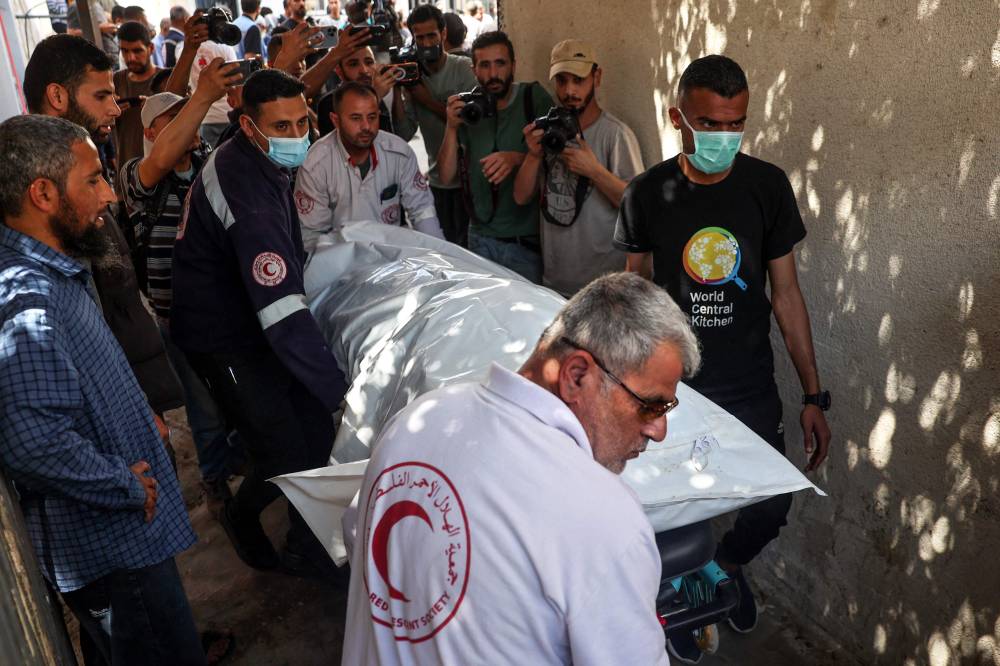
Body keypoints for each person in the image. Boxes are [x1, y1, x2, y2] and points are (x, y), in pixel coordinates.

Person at [342, 272, 696, 664]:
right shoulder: (607, 524)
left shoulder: (419, 417)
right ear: (577, 376)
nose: (658, 430)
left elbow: (357, 534)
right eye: (651, 405)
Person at [614, 54, 832, 662]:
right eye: (709, 124)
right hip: (674, 390)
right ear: (677, 116)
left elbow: (785, 296)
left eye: (736, 123)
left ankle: (726, 567)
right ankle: (673, 593)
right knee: (662, 507)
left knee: (773, 503)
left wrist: (814, 395)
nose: (723, 138)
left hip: (748, 385)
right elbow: (635, 294)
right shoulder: (647, 193)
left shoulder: (766, 187)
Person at [0, 113, 203, 666]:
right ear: (43, 193)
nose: (110, 194)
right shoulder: (26, 296)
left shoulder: (54, 272)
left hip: (124, 545)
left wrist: (141, 418)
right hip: (113, 553)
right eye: (92, 180)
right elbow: (30, 440)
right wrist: (123, 485)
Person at [170, 69, 349, 576]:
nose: (297, 137)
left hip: (251, 322)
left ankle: (306, 539)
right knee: (281, 451)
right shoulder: (247, 196)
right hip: (223, 340)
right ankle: (240, 514)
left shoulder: (251, 153)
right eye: (282, 127)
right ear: (249, 127)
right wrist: (337, 389)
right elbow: (282, 313)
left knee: (312, 429)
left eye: (301, 123)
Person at [23, 34, 184, 421]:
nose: (115, 108)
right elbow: (88, 324)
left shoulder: (80, 158)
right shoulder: (48, 192)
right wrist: (133, 408)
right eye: (101, 96)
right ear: (59, 97)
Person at [120, 62, 244, 502]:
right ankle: (215, 482)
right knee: (205, 409)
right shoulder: (138, 177)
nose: (186, 123)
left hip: (227, 309)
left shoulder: (211, 164)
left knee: (238, 397)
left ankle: (239, 464)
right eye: (171, 119)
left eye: (186, 115)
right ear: (153, 133)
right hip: (179, 318)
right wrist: (201, 98)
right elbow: (157, 162)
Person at [513, 40, 643, 296]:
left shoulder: (615, 134)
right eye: (561, 80)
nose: (569, 90)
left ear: (597, 77)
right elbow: (520, 197)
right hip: (554, 282)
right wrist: (532, 156)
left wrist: (594, 171)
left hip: (603, 287)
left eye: (578, 80)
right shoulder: (549, 133)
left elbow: (637, 206)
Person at [437, 31, 553, 282]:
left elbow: (556, 159)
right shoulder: (470, 110)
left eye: (500, 63)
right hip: (479, 238)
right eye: (485, 65)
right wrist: (451, 127)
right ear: (474, 70)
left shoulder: (533, 99)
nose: (493, 74)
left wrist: (516, 158)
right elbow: (446, 177)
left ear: (513, 65)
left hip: (524, 243)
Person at [294, 82, 443, 252]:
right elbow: (312, 235)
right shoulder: (315, 165)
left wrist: (439, 255)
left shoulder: (399, 153)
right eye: (356, 118)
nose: (366, 126)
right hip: (339, 262)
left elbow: (422, 211)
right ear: (336, 120)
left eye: (372, 117)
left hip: (392, 258)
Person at [394, 4, 476, 246]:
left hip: (470, 182)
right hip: (438, 184)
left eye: (431, 35)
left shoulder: (463, 69)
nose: (427, 42)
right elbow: (405, 133)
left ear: (443, 34)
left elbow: (469, 123)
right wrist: (400, 90)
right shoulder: (415, 77)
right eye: (420, 37)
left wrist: (425, 99)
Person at [113, 21, 161, 169]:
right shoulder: (115, 81)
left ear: (150, 48)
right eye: (125, 51)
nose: (130, 58)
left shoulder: (166, 80)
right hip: (126, 168)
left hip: (160, 167)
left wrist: (154, 108)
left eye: (137, 51)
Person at [176, 37, 238, 147]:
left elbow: (183, 82)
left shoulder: (185, 53)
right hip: (226, 111)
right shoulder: (225, 48)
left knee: (208, 158)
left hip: (205, 114)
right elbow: (236, 79)